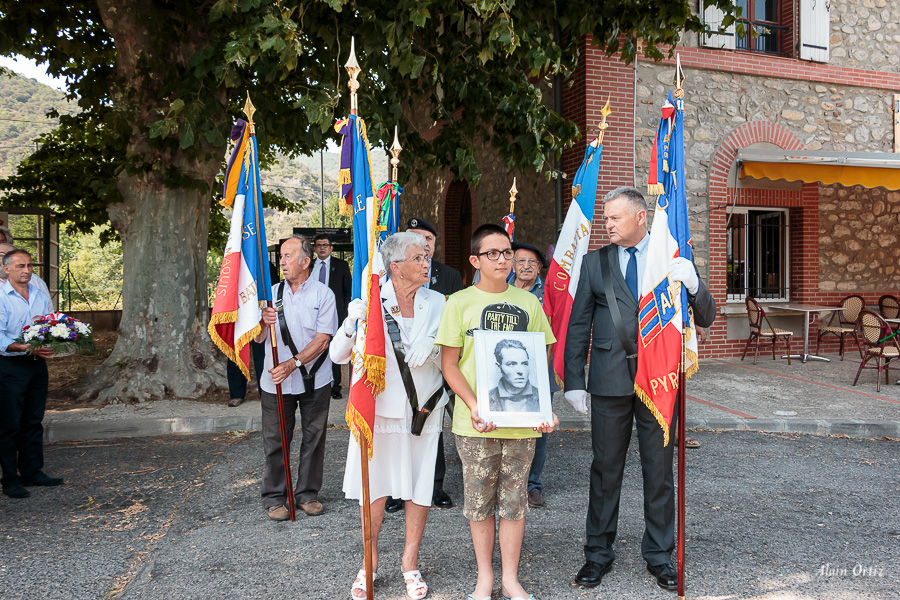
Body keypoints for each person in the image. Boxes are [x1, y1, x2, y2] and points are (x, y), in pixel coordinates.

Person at [564, 186, 716, 591]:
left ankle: (660, 556)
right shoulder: (595, 262)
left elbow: (706, 316)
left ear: (641, 217)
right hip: (610, 381)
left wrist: (695, 286)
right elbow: (578, 324)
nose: (607, 224)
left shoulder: (673, 258)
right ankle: (597, 555)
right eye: (607, 218)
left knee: (659, 472)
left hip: (660, 380)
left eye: (615, 217)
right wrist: (574, 381)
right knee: (605, 471)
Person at [436, 223, 558, 600]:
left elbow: (542, 358)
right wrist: (474, 405)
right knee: (479, 504)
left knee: (514, 502)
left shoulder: (530, 303)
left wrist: (543, 407)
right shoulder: (458, 302)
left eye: (506, 252)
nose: (503, 259)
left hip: (521, 425)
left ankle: (511, 579)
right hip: (476, 425)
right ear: (475, 260)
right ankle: (485, 578)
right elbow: (449, 365)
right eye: (493, 253)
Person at [330, 231, 449, 600]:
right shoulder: (370, 299)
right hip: (379, 410)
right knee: (376, 489)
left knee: (419, 487)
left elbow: (455, 351)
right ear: (395, 267)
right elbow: (337, 355)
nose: (426, 263)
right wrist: (352, 323)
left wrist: (435, 346)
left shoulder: (439, 301)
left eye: (427, 256)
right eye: (418, 258)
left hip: (423, 409)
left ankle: (410, 563)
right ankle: (369, 562)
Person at [255, 236, 337, 520]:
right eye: (281, 257)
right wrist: (262, 323)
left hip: (315, 379)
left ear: (305, 261)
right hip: (276, 381)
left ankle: (306, 494)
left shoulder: (323, 294)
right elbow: (257, 338)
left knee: (314, 438)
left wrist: (294, 363)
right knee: (276, 439)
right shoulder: (270, 295)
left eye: (288, 256)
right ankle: (275, 496)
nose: (282, 261)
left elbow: (324, 339)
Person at [385, 217, 463, 513]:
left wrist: (434, 343)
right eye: (416, 240)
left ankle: (435, 485)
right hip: (398, 378)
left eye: (427, 240)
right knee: (397, 435)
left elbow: (453, 321)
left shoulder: (448, 275)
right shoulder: (384, 283)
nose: (424, 248)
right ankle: (397, 489)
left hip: (434, 371)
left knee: (433, 430)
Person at [0, 249, 63, 499]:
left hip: (36, 363)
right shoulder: (2, 296)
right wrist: (22, 346)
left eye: (29, 265)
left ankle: (32, 471)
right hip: (9, 365)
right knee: (9, 424)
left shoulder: (38, 292)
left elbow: (49, 322)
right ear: (6, 269)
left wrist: (53, 342)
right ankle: (10, 479)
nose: (26, 270)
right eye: (19, 266)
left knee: (33, 420)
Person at [510, 241, 554, 508]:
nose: (526, 266)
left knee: (538, 430)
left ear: (540, 267)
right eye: (521, 261)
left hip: (539, 368)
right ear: (512, 265)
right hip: (506, 368)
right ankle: (509, 481)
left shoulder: (549, 291)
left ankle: (532, 484)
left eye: (532, 262)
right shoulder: (500, 289)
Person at [310, 233, 351, 400]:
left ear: (331, 248)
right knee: (314, 348)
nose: (322, 248)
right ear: (314, 248)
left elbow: (348, 290)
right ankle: (313, 383)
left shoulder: (341, 265)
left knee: (333, 350)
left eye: (325, 245)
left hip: (335, 314)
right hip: (312, 315)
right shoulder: (308, 266)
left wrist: (345, 314)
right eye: (319, 245)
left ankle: (335, 386)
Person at [488, 339, 540, 413]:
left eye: (524, 364)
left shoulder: (540, 396)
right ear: (498, 367)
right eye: (512, 364)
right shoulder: (488, 398)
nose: (520, 371)